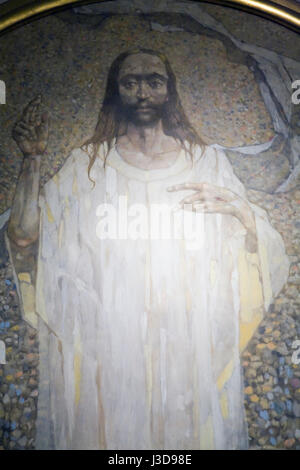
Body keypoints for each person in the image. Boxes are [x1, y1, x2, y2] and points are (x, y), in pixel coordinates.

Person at [7, 48, 289, 450]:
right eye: (131, 82)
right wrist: (32, 161)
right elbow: (24, 237)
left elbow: (260, 249)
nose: (143, 91)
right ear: (116, 91)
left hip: (185, 355)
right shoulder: (85, 165)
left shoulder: (204, 162)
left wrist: (243, 212)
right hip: (109, 357)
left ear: (169, 90)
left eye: (154, 81)